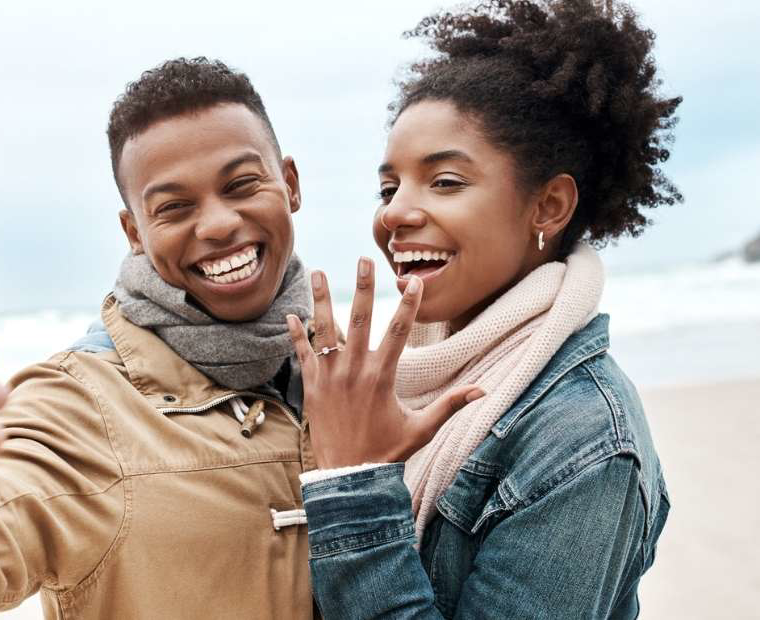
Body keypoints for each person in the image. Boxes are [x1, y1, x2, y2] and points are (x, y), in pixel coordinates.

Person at [0, 57, 379, 619]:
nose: (219, 224)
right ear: (134, 232)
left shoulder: (358, 375)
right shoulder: (80, 409)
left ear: (291, 183)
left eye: (242, 185)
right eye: (173, 208)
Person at [290, 1, 677, 617]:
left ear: (548, 207)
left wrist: (355, 482)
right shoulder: (390, 385)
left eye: (445, 181)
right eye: (388, 189)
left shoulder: (585, 443)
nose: (393, 214)